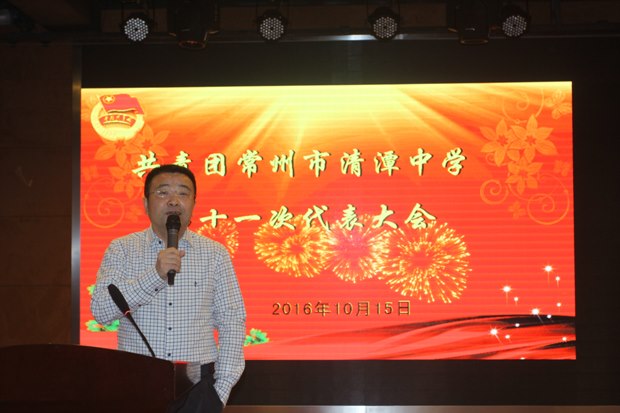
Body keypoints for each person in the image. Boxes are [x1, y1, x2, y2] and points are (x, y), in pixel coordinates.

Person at [91, 164, 246, 413]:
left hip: (197, 388)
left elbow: (232, 320)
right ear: (145, 203)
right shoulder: (122, 249)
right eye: (163, 192)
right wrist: (155, 275)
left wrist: (220, 390)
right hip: (135, 384)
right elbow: (101, 310)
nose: (174, 201)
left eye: (183, 193)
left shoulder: (215, 254)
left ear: (194, 203)